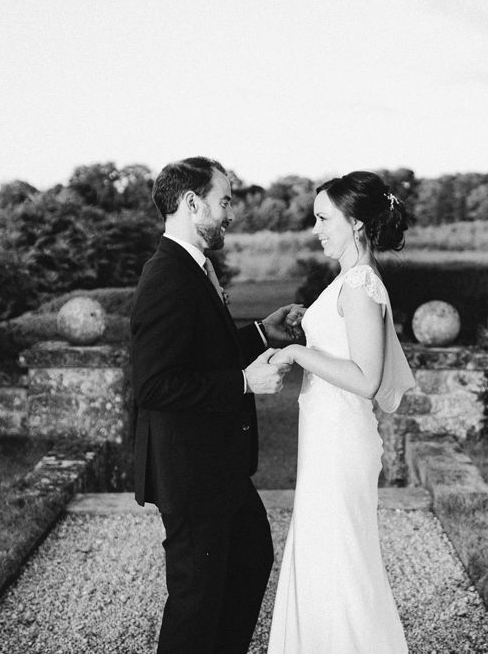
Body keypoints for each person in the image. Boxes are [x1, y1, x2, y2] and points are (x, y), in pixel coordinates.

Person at [131, 156, 304, 654]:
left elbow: (200, 346)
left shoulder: (193, 267)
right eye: (223, 201)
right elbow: (155, 385)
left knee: (250, 561)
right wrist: (243, 383)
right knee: (196, 601)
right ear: (192, 202)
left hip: (217, 466)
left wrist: (257, 332)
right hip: (189, 470)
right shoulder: (167, 275)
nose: (230, 214)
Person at [266, 171, 416, 653]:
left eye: (323, 218)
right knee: (325, 555)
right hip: (326, 436)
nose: (316, 228)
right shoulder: (351, 281)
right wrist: (304, 331)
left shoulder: (359, 283)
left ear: (355, 223)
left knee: (339, 561)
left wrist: (297, 355)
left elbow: (366, 378)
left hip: (340, 440)